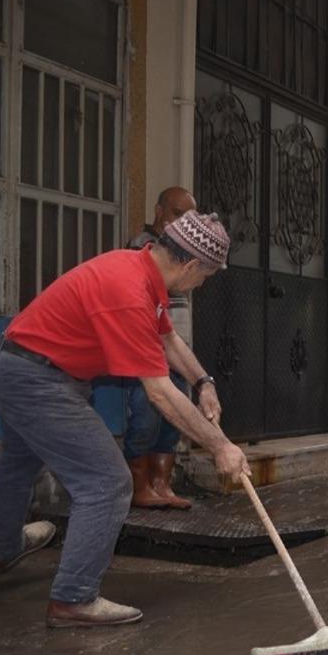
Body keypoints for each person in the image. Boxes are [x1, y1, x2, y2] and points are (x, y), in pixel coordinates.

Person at [0, 210, 250, 628]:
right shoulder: (128, 291)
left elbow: (167, 339)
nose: (201, 285)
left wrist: (203, 383)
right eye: (206, 277)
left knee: (20, 461)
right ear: (192, 264)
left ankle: (3, 548)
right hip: (37, 380)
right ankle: (74, 598)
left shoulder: (143, 270)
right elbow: (159, 392)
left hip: (18, 367)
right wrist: (220, 446)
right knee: (107, 483)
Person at [124, 187, 197, 510]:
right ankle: (139, 488)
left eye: (189, 216)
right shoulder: (145, 245)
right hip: (147, 352)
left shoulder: (182, 252)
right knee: (145, 418)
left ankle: (162, 486)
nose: (182, 222)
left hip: (176, 352)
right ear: (158, 210)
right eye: (177, 213)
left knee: (173, 420)